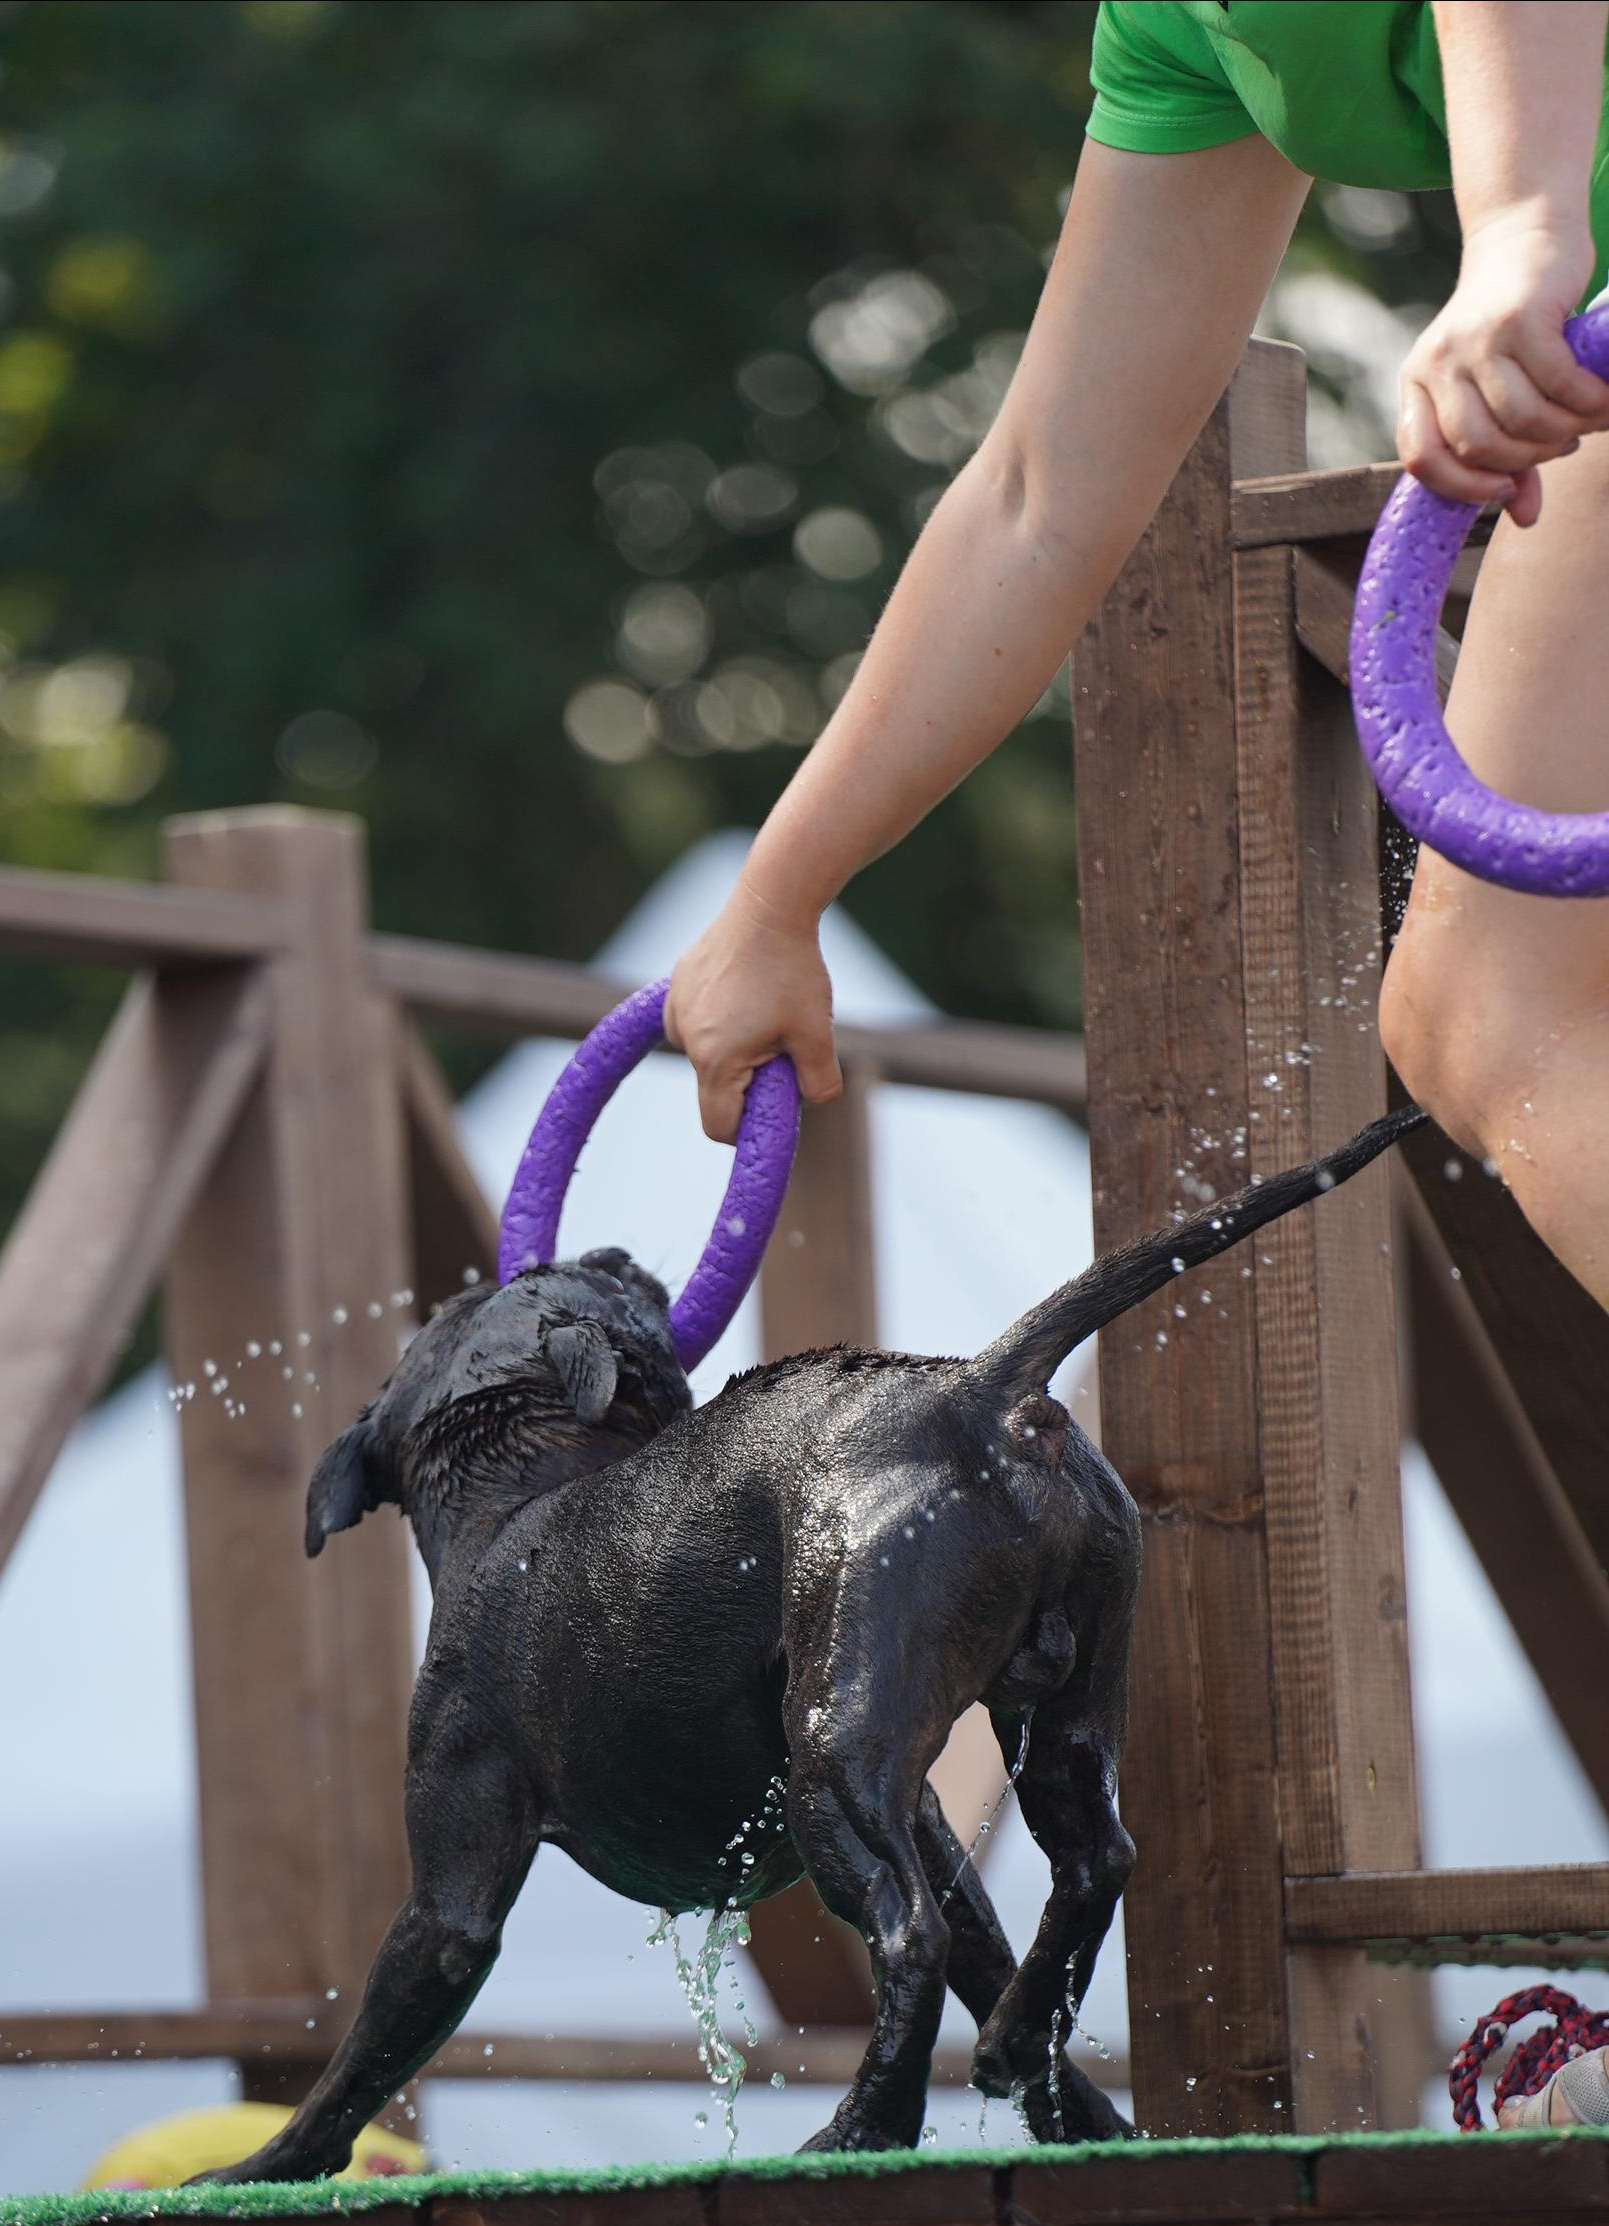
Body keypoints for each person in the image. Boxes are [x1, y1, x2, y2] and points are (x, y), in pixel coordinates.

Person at [665, 2, 1609, 1324]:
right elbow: (1037, 498)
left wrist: (1520, 227)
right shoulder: (1178, 29)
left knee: (1502, 1011)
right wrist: (779, 897)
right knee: (1482, 1017)